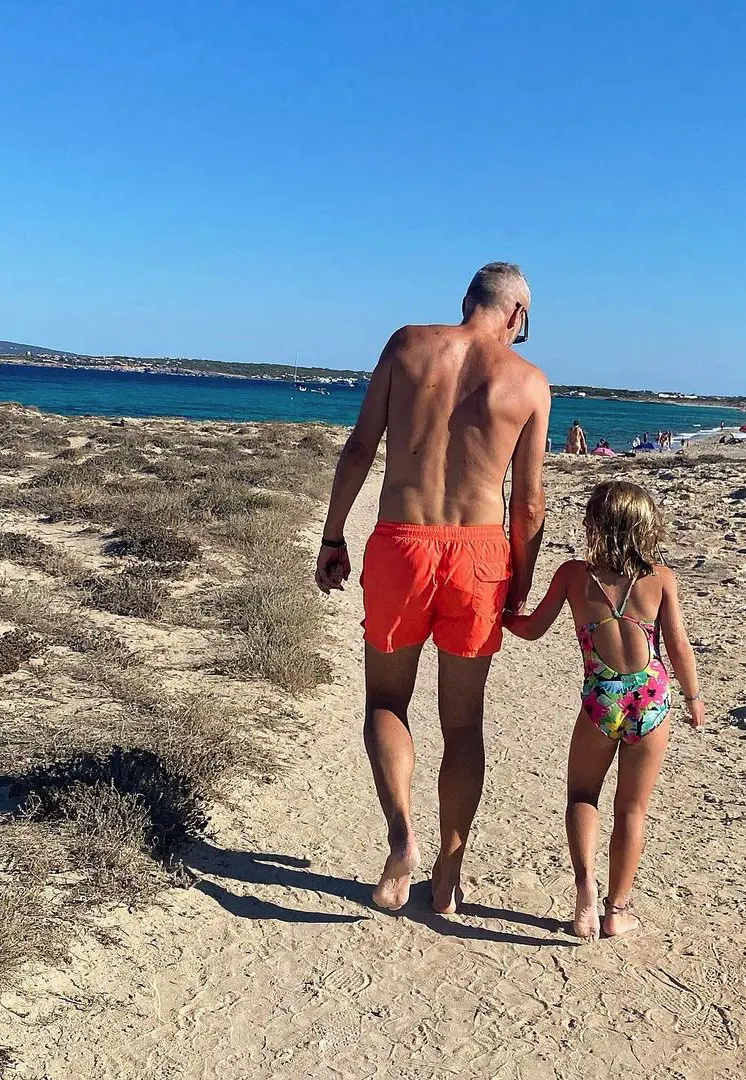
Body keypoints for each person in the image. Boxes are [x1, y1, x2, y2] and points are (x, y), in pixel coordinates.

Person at [315, 262, 550, 914]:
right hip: (479, 554)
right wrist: (519, 582)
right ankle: (449, 872)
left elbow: (360, 448)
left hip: (402, 542)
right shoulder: (528, 383)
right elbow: (528, 503)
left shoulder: (409, 344)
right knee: (463, 723)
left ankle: (401, 836)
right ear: (517, 315)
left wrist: (333, 536)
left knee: (386, 700)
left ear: (468, 300)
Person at [504, 481, 704, 941]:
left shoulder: (574, 575)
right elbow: (678, 646)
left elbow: (533, 629)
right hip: (651, 702)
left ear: (594, 525)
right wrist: (693, 698)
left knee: (582, 796)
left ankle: (584, 893)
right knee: (632, 809)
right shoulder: (661, 578)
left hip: (601, 698)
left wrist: (501, 615)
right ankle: (617, 910)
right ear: (647, 526)